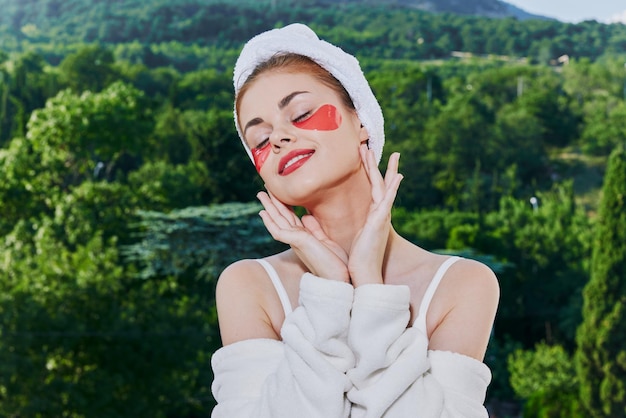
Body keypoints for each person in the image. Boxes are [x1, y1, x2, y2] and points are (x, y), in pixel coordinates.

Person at [211, 23, 499, 418]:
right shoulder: (248, 287)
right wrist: (329, 290)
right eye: (259, 140)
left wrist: (369, 286)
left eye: (300, 113)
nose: (277, 138)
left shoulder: (463, 285)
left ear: (361, 120)